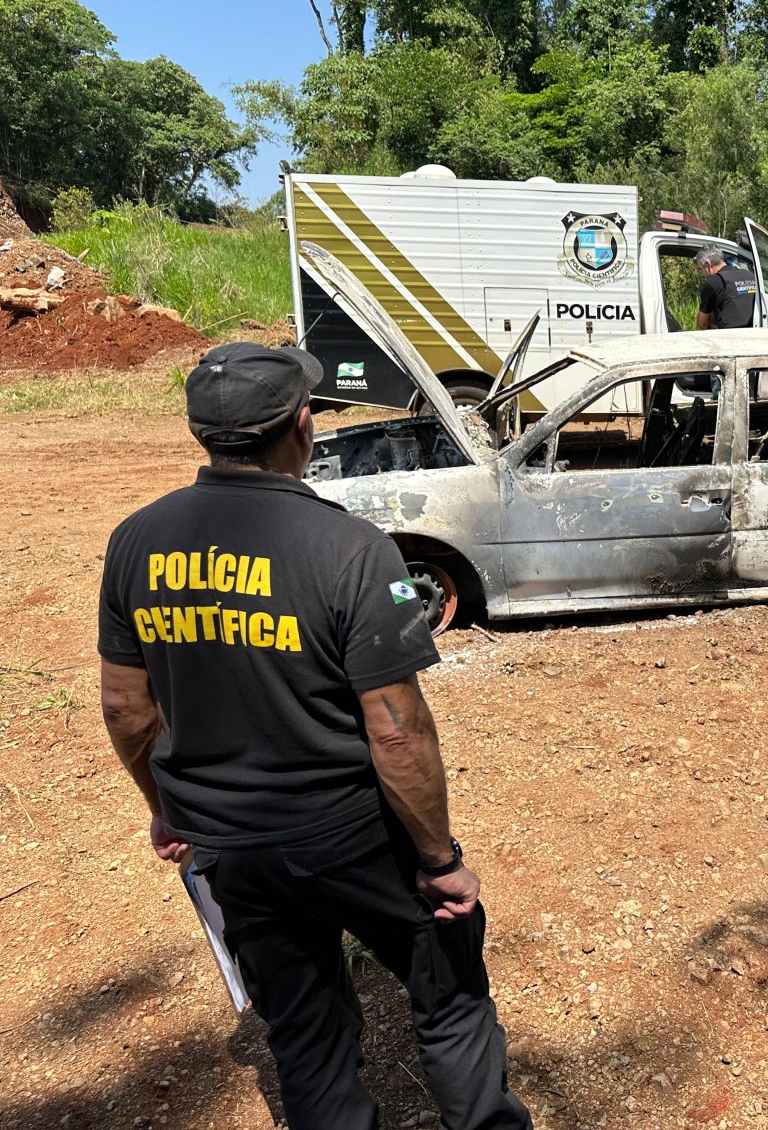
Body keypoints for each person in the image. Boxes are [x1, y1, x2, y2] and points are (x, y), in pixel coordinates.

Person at [97, 343, 532, 1130]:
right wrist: (439, 860)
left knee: (305, 1039)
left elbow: (126, 709)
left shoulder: (135, 542)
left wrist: (165, 807)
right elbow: (398, 736)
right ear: (301, 425)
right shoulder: (350, 548)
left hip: (233, 849)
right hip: (353, 836)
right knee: (450, 989)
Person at [695, 247, 759, 329]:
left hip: (728, 337)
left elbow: (703, 323)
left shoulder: (712, 282)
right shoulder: (750, 276)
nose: (701, 274)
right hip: (754, 333)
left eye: (700, 269)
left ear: (707, 264)